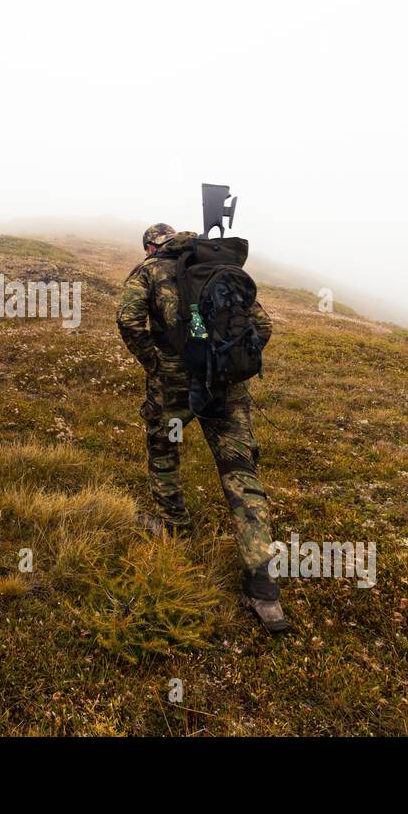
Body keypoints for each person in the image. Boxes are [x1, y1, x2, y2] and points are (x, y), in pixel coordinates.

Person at [115, 223, 289, 633]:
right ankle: (263, 590)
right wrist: (230, 362)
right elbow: (261, 327)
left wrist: (155, 362)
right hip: (227, 384)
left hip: (175, 383)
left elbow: (128, 319)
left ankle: (173, 523)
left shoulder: (149, 270)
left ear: (148, 245)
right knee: (241, 472)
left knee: (164, 447)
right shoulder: (215, 264)